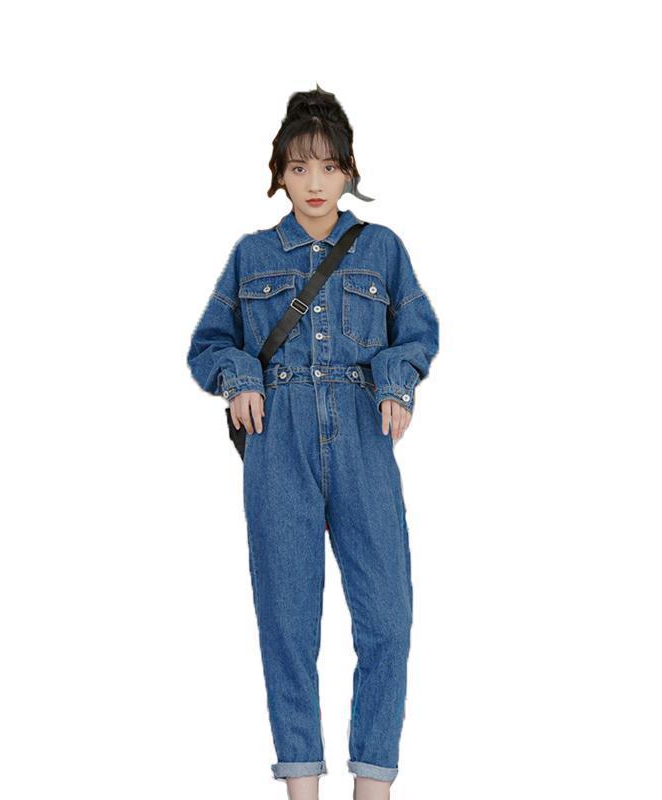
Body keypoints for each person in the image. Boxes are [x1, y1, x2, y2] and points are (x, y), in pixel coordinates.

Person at [187, 85, 439, 800]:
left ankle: (373, 784)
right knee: (288, 623)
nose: (315, 182)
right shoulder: (252, 254)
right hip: (279, 440)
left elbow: (418, 332)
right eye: (299, 168)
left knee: (388, 619)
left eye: (329, 166)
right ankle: (300, 785)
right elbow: (208, 343)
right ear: (279, 175)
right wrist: (240, 378)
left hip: (363, 434)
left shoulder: (382, 248)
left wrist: (395, 383)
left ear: (350, 171)